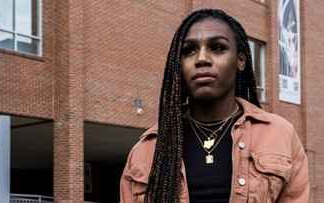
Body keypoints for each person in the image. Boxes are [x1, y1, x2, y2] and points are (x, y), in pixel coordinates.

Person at [119, 9, 309, 203]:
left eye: (218, 48)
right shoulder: (147, 150)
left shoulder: (279, 135)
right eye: (189, 50)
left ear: (241, 60)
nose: (201, 59)